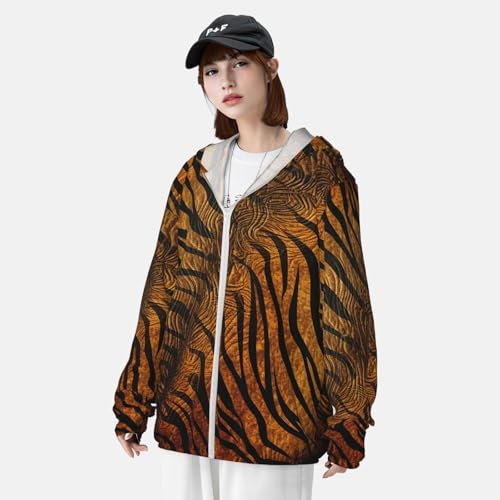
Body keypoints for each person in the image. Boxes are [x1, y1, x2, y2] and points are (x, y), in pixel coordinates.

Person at [113, 13, 378, 500]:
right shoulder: (196, 175)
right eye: (212, 71)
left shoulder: (320, 174)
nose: (226, 82)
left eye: (239, 63)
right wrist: (134, 399)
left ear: (270, 68)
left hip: (274, 426)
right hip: (185, 421)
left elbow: (346, 303)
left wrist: (349, 418)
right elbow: (163, 290)